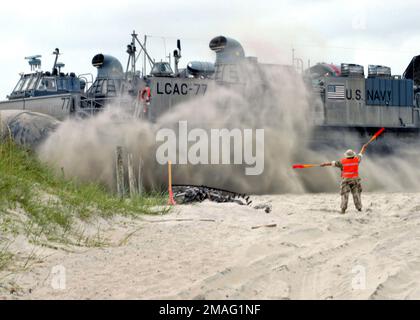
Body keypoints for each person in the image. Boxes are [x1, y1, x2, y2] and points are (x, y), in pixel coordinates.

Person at [321, 144, 367, 214]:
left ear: (346, 156)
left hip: (346, 181)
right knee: (356, 195)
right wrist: (363, 147)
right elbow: (361, 153)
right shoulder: (356, 160)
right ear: (353, 155)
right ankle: (359, 209)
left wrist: (324, 164)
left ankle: (343, 210)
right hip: (355, 181)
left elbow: (332, 163)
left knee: (345, 196)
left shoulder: (342, 162)